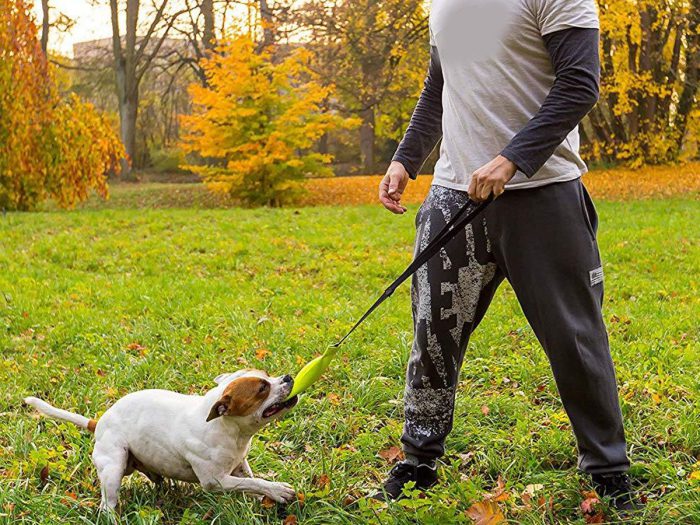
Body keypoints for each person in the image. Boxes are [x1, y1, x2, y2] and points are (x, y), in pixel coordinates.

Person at [374, 0, 639, 511]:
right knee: (434, 332)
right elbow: (439, 88)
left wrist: (512, 159)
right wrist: (407, 157)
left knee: (574, 338)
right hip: (453, 196)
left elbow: (579, 84)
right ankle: (419, 458)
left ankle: (607, 469)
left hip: (544, 197)